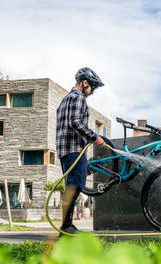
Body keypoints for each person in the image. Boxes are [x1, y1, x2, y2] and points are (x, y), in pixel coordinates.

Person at [56, 67, 106, 234]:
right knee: (75, 185)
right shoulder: (78, 98)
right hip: (74, 149)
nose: (92, 92)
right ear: (85, 83)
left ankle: (66, 225)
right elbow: (76, 122)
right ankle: (66, 226)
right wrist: (94, 136)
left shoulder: (65, 99)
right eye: (92, 87)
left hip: (65, 149)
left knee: (72, 186)